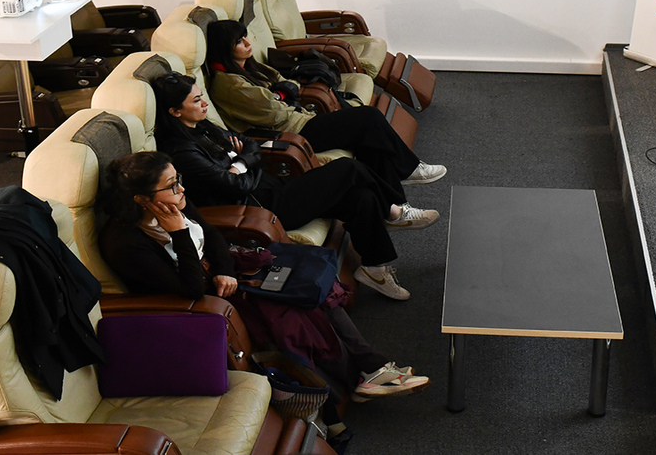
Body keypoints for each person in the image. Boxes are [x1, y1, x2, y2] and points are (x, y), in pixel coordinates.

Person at [99, 151, 430, 401]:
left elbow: (212, 235)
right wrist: (179, 234)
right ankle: (361, 377)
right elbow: (188, 289)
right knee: (297, 308)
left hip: (225, 274)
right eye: (172, 185)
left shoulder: (175, 204)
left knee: (312, 282)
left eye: (178, 179)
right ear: (142, 200)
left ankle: (372, 367)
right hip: (207, 300)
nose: (182, 188)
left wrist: (224, 270)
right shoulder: (125, 244)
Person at [149, 72, 432, 301]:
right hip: (263, 208)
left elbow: (249, 145)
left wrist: (241, 162)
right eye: (197, 100)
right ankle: (394, 211)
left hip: (272, 186)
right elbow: (235, 185)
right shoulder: (182, 152)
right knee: (348, 168)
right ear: (175, 111)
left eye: (202, 97)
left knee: (361, 196)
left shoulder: (203, 127)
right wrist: (243, 164)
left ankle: (374, 268)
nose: (204, 104)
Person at [203, 19, 446, 188]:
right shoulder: (229, 83)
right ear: (224, 49)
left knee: (366, 137)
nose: (248, 43)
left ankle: (395, 202)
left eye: (245, 37)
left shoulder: (249, 67)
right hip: (290, 132)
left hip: (299, 117)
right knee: (368, 117)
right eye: (239, 42)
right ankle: (409, 168)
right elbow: (274, 112)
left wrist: (281, 93)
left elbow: (288, 83)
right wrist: (282, 94)